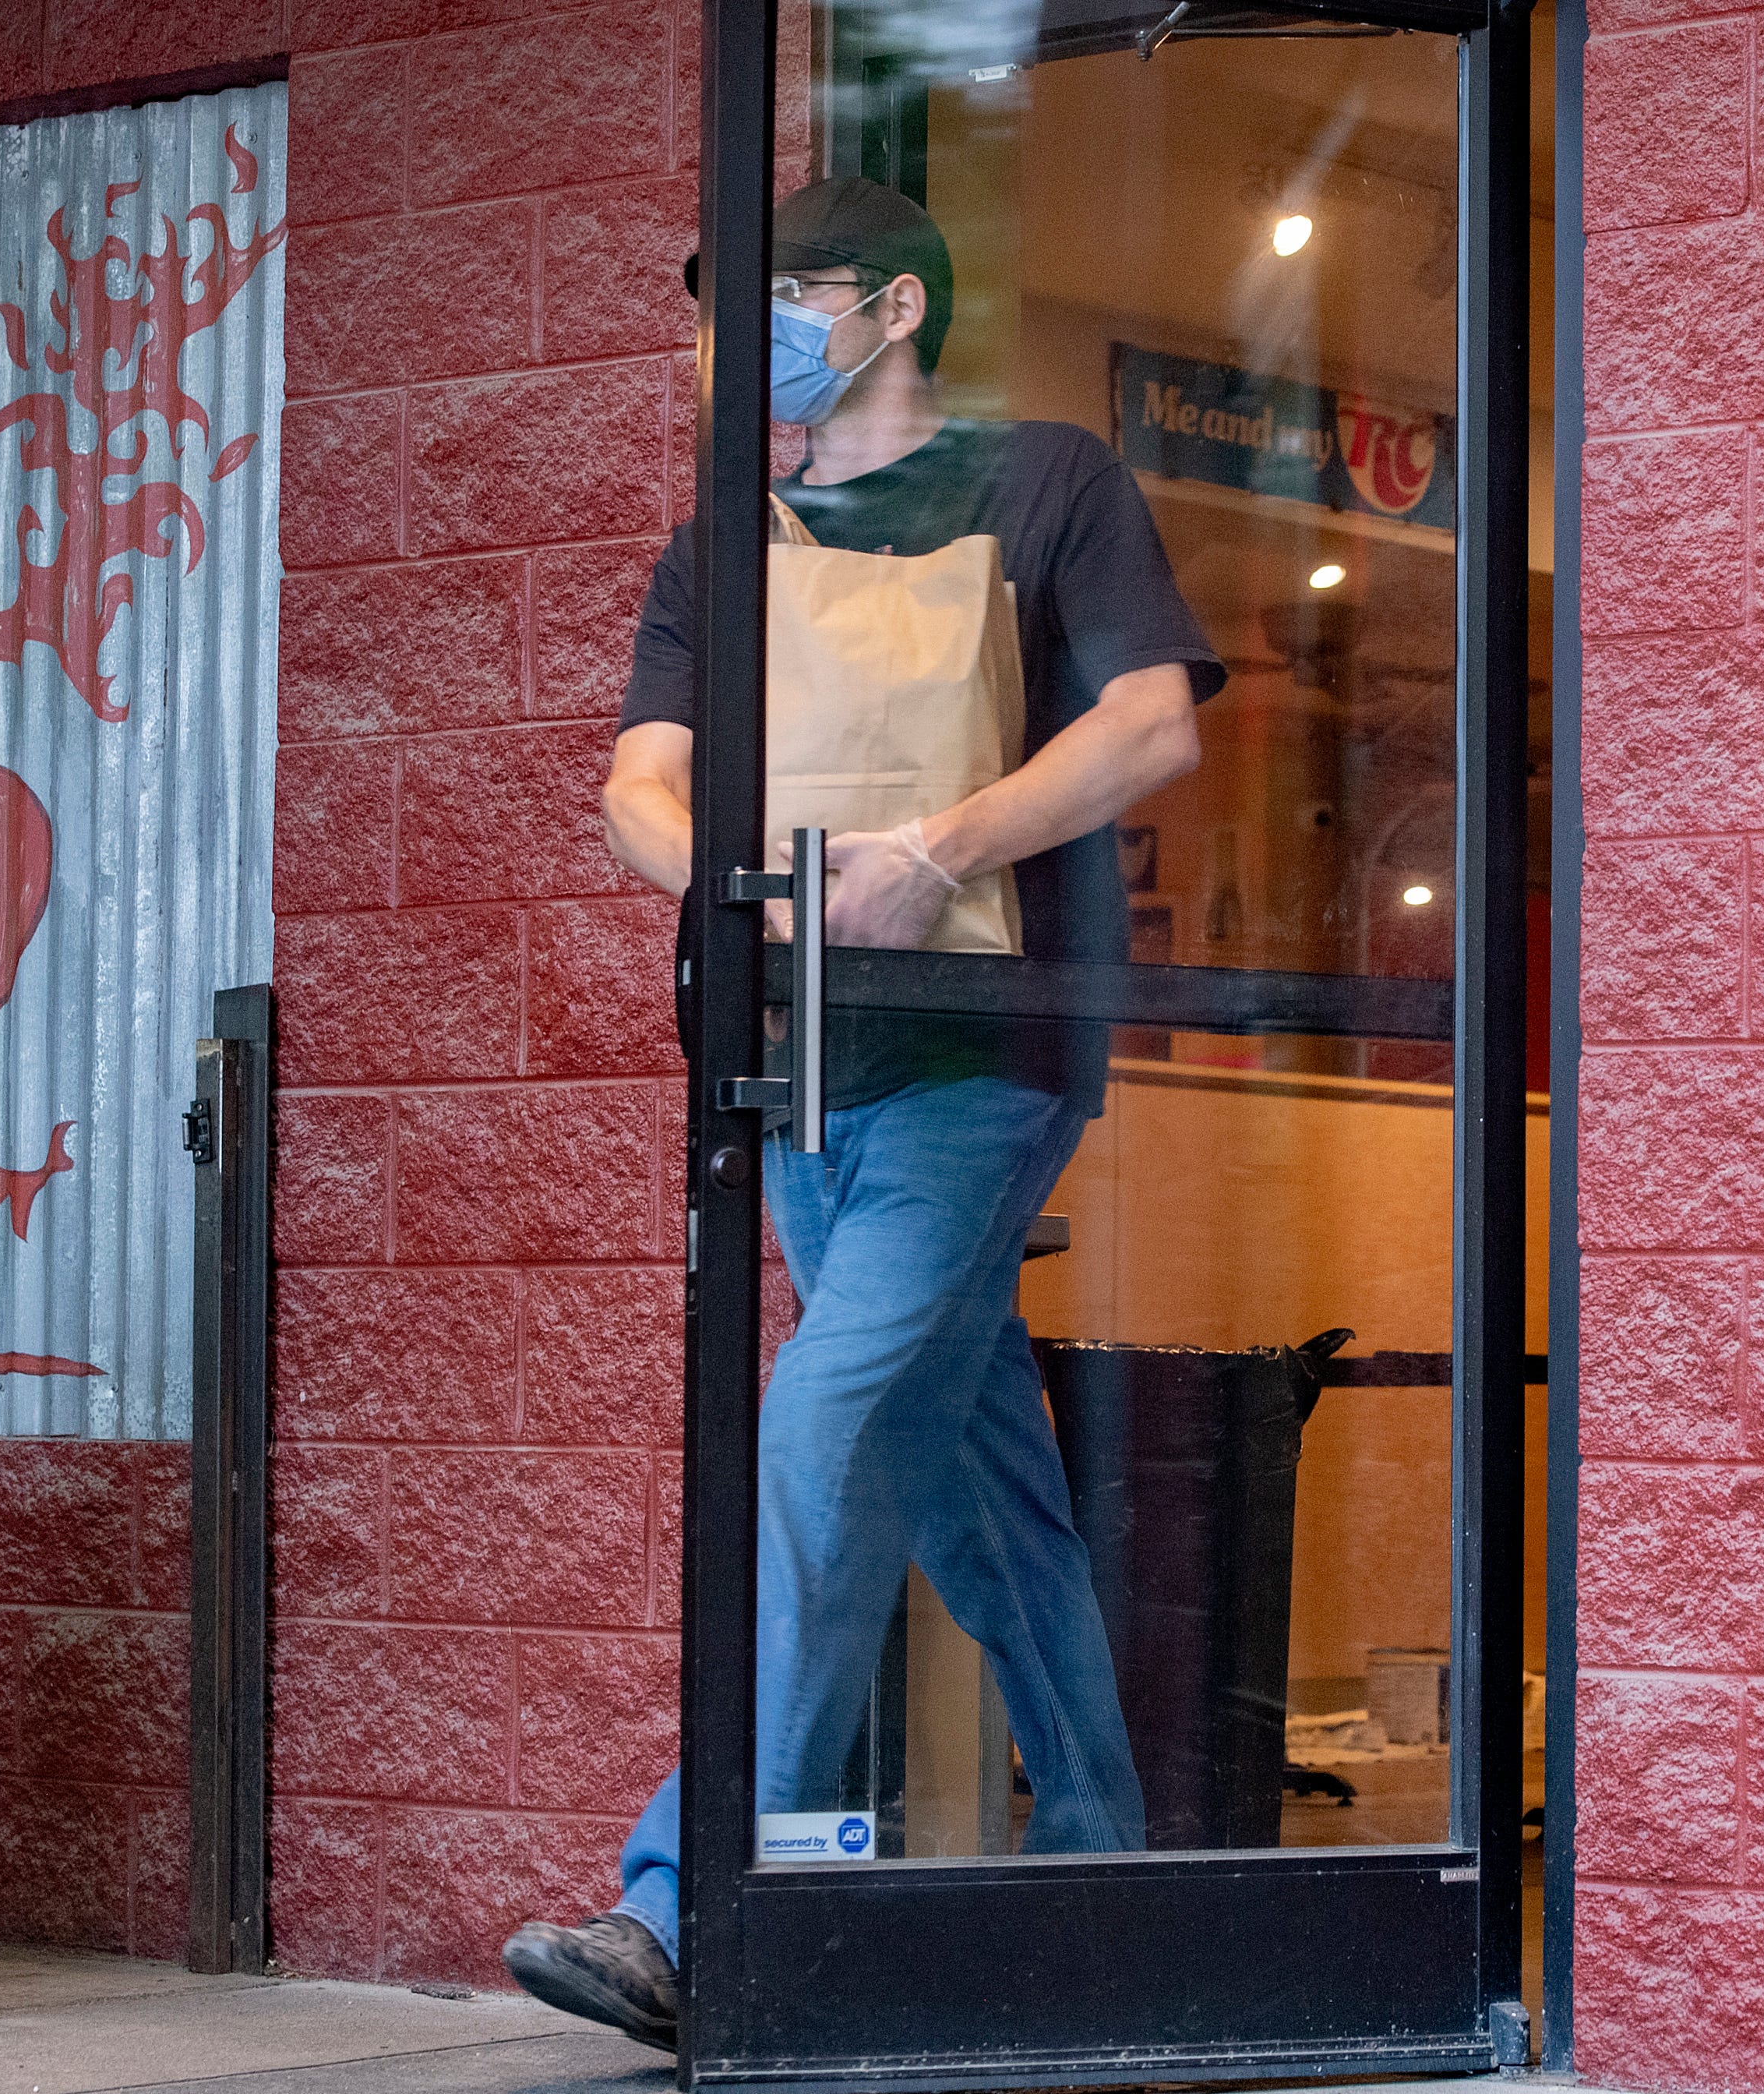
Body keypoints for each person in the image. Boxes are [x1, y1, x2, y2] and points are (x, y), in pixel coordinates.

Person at [498, 176, 1223, 2050]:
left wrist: (934, 850)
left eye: (780, 295)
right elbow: (637, 787)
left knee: (822, 1430)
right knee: (979, 1489)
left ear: (893, 307)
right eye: (718, 310)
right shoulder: (716, 546)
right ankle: (1104, 1867)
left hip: (985, 1056)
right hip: (798, 1063)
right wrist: (741, 885)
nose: (735, 340)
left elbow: (1149, 724)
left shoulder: (1047, 483)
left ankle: (685, 1908)